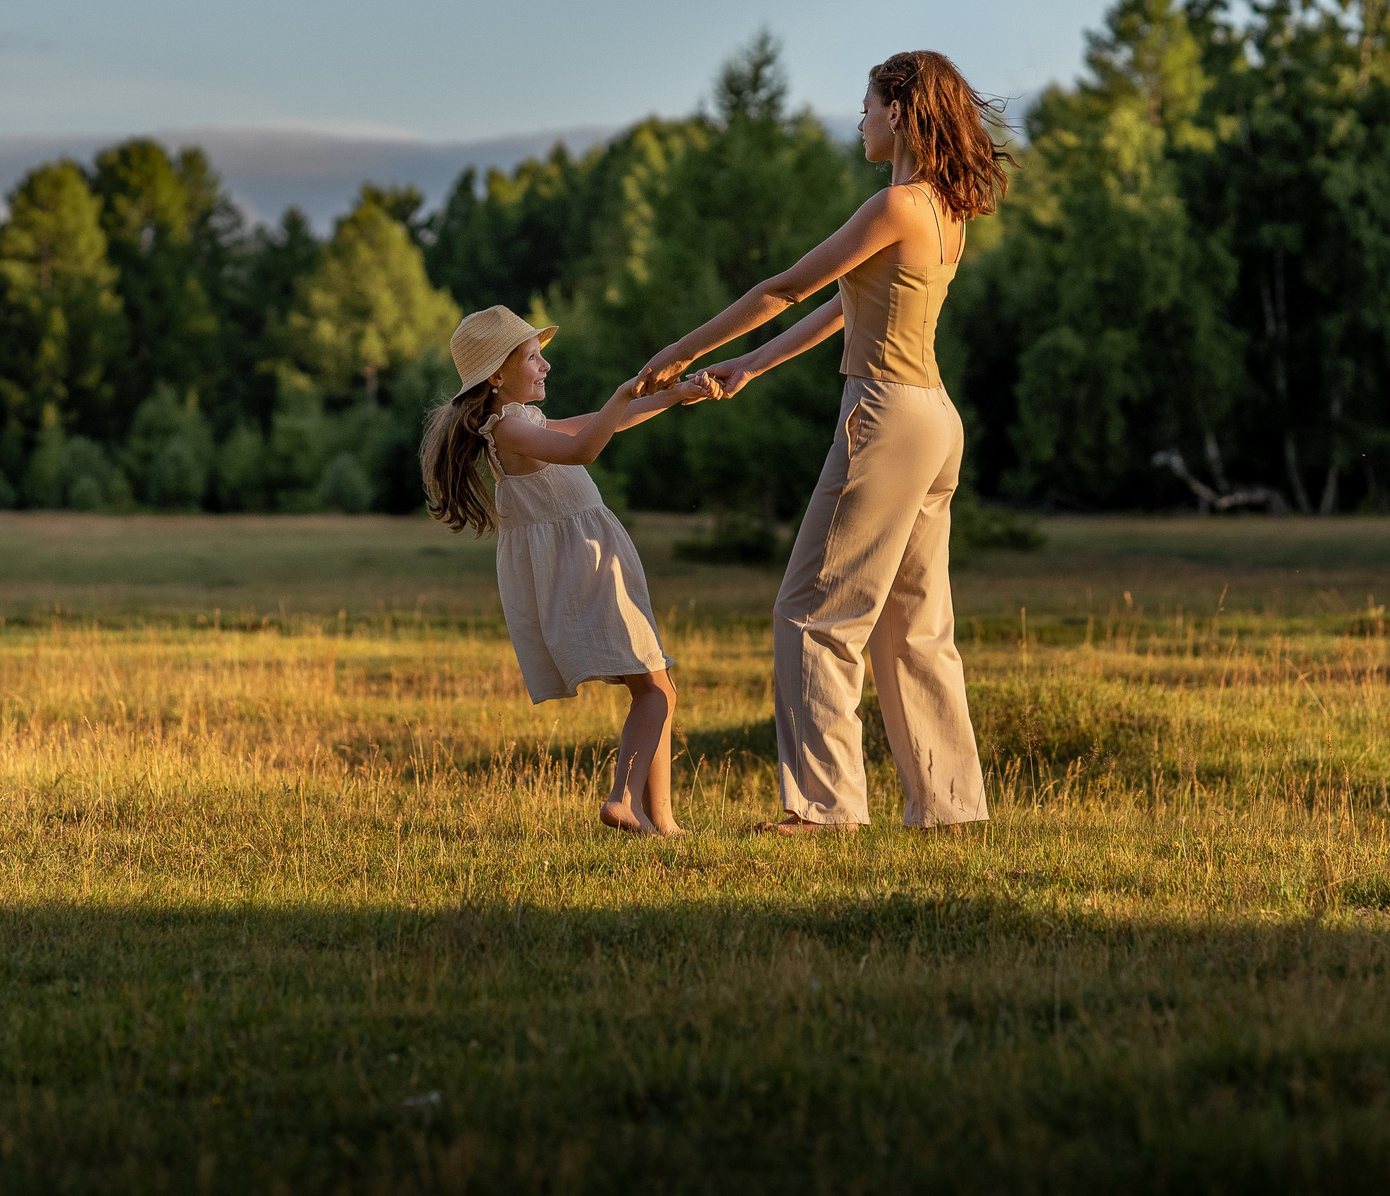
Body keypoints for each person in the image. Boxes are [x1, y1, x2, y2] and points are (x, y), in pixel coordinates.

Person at [632, 50, 1014, 835]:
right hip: (935, 421)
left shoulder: (896, 205)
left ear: (901, 111)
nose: (861, 118)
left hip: (884, 415)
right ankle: (949, 808)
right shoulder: (944, 209)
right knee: (914, 625)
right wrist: (753, 363)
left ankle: (826, 809)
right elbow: (847, 305)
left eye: (870, 103)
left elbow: (785, 286)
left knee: (811, 613)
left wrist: (684, 350)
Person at [421, 305, 716, 836]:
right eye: (533, 357)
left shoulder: (520, 423)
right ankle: (623, 800)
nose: (545, 366)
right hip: (585, 567)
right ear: (496, 375)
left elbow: (594, 426)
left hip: (587, 561)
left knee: (655, 683)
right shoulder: (507, 427)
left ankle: (663, 822)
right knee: (657, 688)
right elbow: (582, 449)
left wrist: (672, 396)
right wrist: (625, 391)